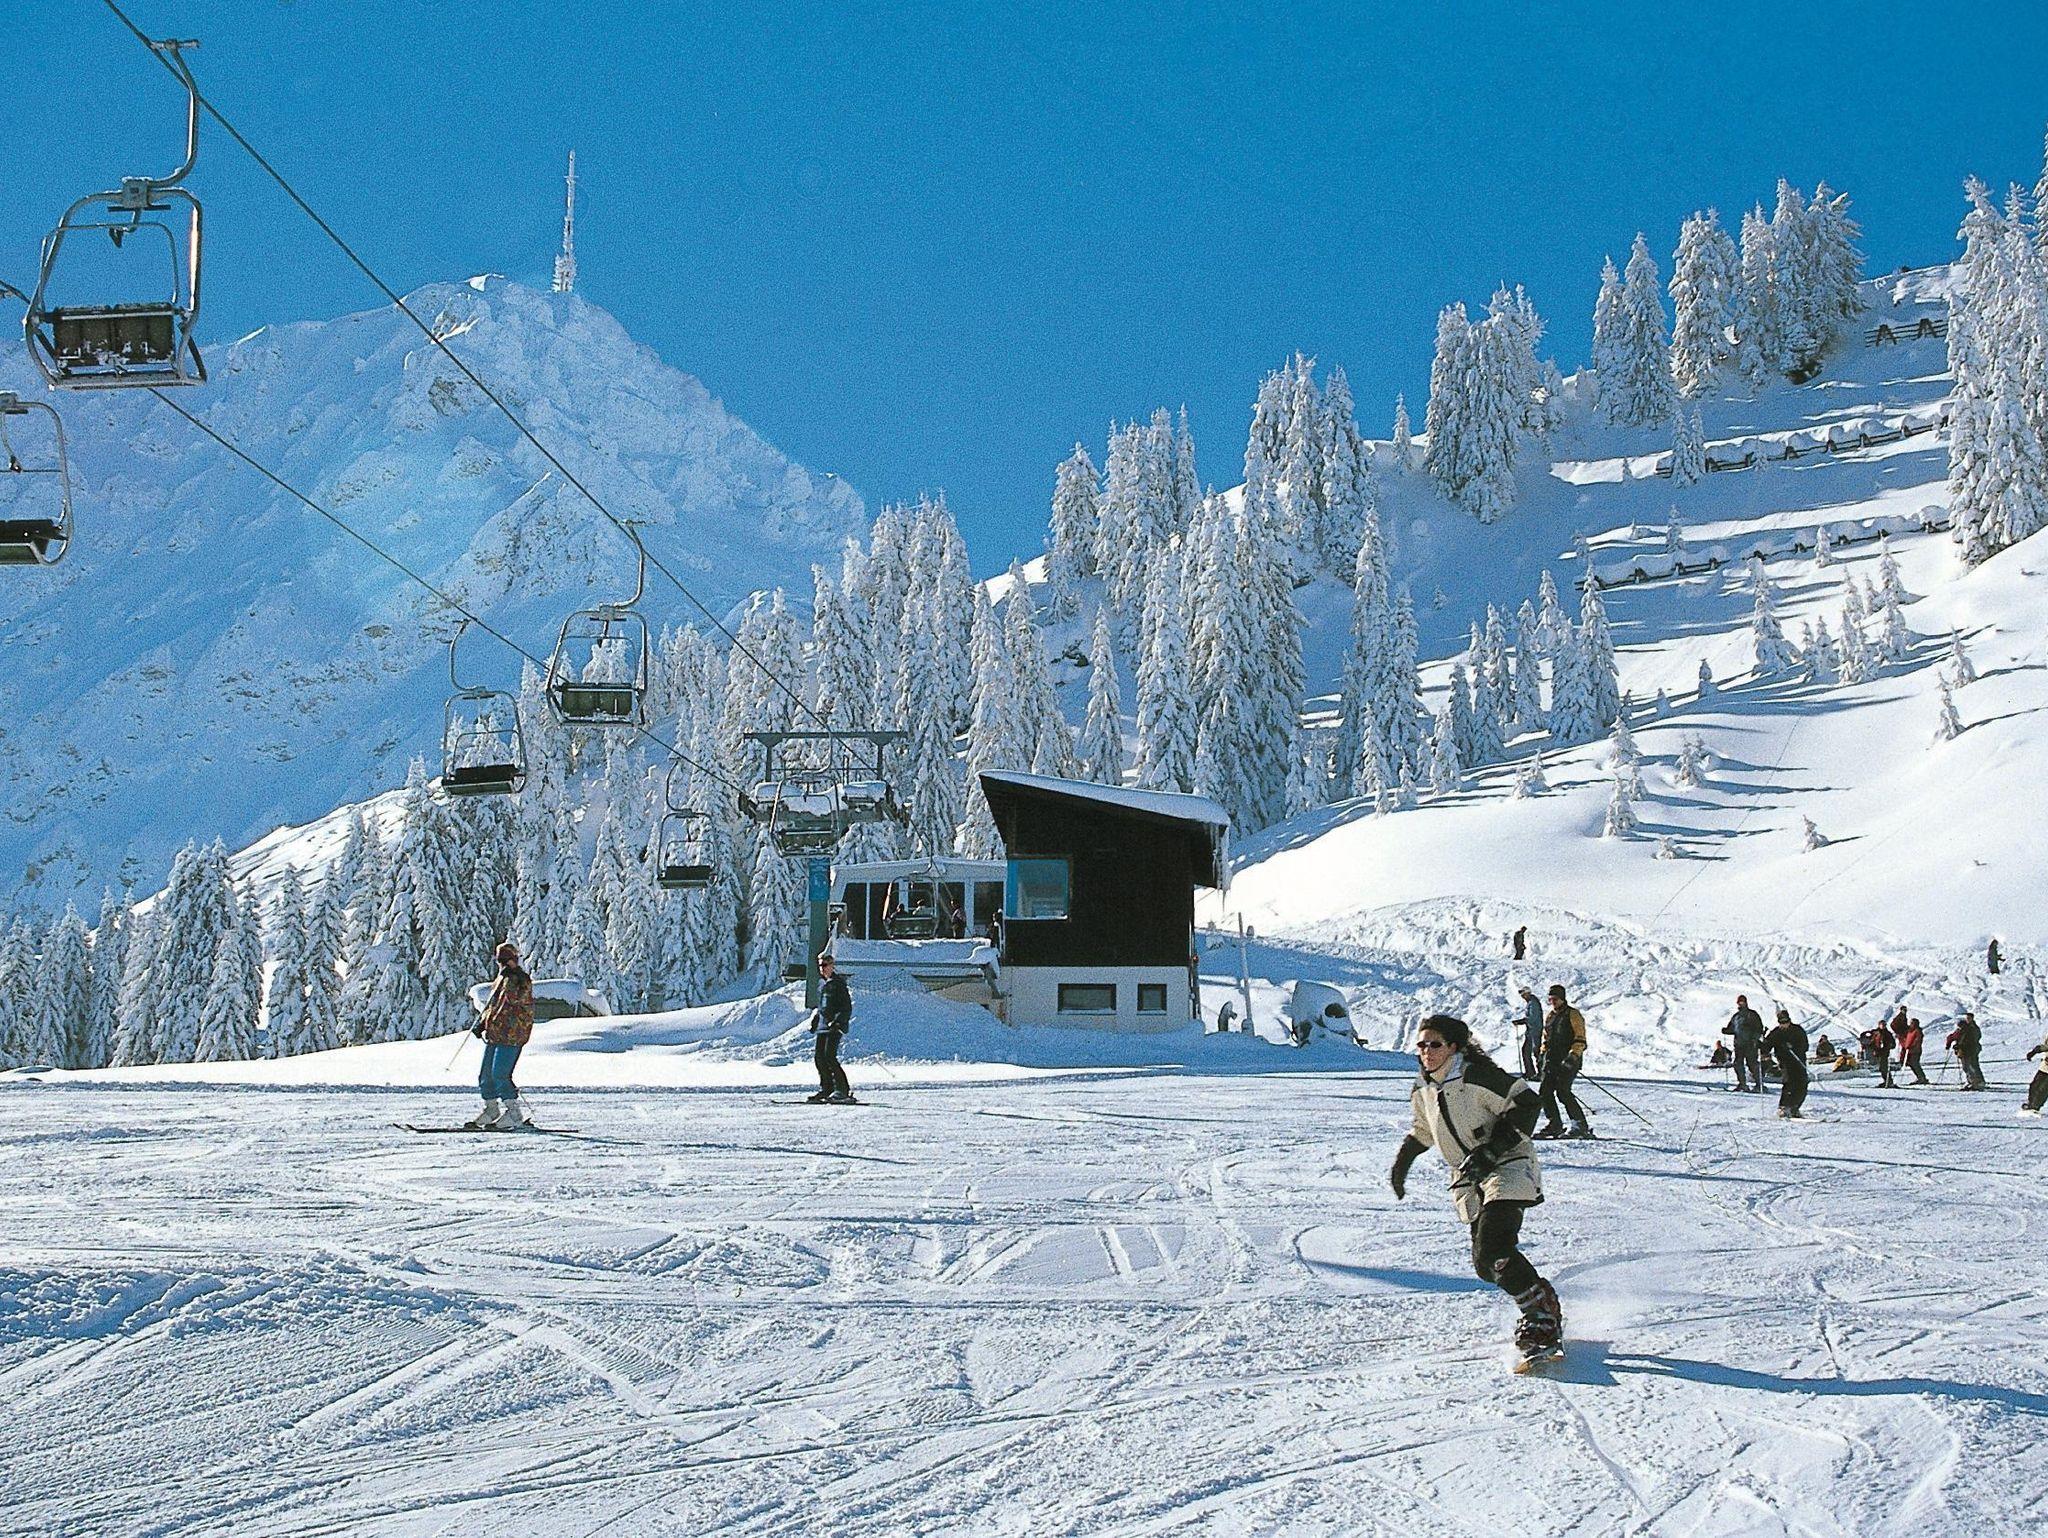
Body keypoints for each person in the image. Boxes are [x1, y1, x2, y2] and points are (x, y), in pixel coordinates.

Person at [1388, 1014, 1562, 1362]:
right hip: (1468, 1177)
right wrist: (1401, 1165)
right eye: (1422, 1045)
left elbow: (1527, 1104)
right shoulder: (1423, 1088)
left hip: (1507, 1164)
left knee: (1494, 1246)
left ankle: (1540, 1318)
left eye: (1435, 1044)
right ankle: (1541, 1299)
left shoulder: (1477, 1076)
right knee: (1486, 1264)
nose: (1426, 1051)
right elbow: (1423, 1131)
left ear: (1454, 1047)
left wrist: (1492, 1150)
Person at [467, 941, 535, 1130]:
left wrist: (511, 977)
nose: (503, 964)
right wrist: (483, 1023)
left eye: (506, 960)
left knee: (500, 1074)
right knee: (485, 1076)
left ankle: (514, 1114)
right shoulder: (502, 979)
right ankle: (491, 1110)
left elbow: (515, 999)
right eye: (500, 961)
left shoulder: (521, 980)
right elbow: (495, 1005)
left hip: (513, 1034)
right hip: (496, 1033)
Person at [1534, 984, 1591, 1140]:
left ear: (1562, 999)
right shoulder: (1550, 1016)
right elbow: (1546, 1038)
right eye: (1550, 999)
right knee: (1545, 1092)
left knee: (1563, 1091)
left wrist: (1573, 1056)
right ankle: (1554, 1124)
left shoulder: (1573, 1014)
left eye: (1555, 999)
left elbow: (1580, 1038)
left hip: (1568, 1060)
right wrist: (1542, 1055)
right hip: (1551, 1060)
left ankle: (1580, 1125)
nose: (1553, 1002)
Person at [809, 952, 855, 1104]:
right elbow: (822, 1006)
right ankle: (827, 1088)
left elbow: (846, 1006)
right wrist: (816, 1019)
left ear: (831, 966)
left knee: (829, 1056)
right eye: (820, 965)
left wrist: (838, 1021)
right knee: (819, 1058)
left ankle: (842, 1090)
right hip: (823, 1026)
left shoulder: (838, 984)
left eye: (824, 965)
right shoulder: (824, 984)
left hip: (834, 1026)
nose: (822, 968)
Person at [1761, 1006, 1810, 1119]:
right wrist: (1760, 1044)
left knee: (1802, 1084)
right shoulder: (1776, 1033)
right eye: (1781, 1023)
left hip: (1798, 1060)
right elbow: (1767, 1047)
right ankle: (1783, 1107)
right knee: (1789, 1083)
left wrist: (1793, 1046)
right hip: (1785, 1062)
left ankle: (1794, 1107)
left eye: (1786, 1022)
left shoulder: (1797, 1030)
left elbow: (1805, 1046)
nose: (1784, 1025)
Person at [1721, 995, 1766, 1093]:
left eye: (1742, 1002)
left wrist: (1755, 1039)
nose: (1741, 1004)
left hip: (1750, 1044)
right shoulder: (1736, 1016)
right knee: (1738, 1064)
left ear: (1746, 1003)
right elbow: (1732, 1028)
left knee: (1752, 1064)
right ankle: (1742, 1084)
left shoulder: (1752, 1015)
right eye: (1739, 1002)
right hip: (1739, 1044)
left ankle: (1759, 1084)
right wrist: (1726, 1030)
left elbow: (1759, 1028)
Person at [1946, 1012, 1986, 1092]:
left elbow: (1971, 1040)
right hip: (1964, 1051)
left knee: (1971, 1066)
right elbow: (1953, 1036)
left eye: (1969, 1018)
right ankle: (1973, 1081)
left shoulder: (1973, 1028)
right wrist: (1952, 1044)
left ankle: (1976, 1082)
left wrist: (1960, 1045)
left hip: (1971, 1050)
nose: (1968, 1019)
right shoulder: (1964, 1028)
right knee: (1968, 1066)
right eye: (1967, 1018)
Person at [1515, 986, 1544, 1079]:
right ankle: (1531, 1072)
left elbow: (1532, 1018)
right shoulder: (1531, 1003)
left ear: (1527, 993)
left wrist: (1521, 1021)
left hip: (1534, 1031)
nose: (1522, 996)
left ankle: (1540, 1073)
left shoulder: (1533, 1003)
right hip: (1531, 1031)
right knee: (1527, 1051)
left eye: (1523, 994)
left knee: (1535, 1051)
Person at [1868, 1014, 1899, 1089]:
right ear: (1879, 1025)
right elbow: (1870, 1041)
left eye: (1884, 1025)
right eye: (1882, 1025)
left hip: (1884, 1052)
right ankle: (1887, 1081)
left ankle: (1889, 1081)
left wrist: (1890, 1045)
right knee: (1881, 1068)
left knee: (1884, 1067)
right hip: (1877, 1052)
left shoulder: (1888, 1034)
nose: (1883, 1026)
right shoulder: (1875, 1033)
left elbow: (1893, 1044)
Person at [1899, 1016, 1929, 1085]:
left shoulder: (1917, 1031)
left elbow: (1917, 1040)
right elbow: (1907, 1040)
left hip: (1915, 1050)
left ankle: (1922, 1078)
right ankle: (1920, 1077)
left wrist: (1911, 1046)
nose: (1910, 1024)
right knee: (1911, 1064)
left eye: (1912, 1023)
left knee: (1915, 1064)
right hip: (1910, 1051)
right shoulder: (1910, 1031)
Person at [2024, 1035, 2048, 1115]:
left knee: (2043, 1089)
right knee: (2034, 1085)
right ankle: (2030, 1104)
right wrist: (2034, 1051)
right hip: (2045, 1066)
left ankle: (2035, 1107)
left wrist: (2037, 1050)